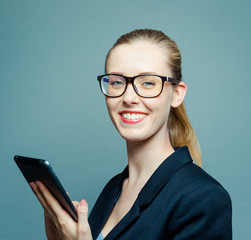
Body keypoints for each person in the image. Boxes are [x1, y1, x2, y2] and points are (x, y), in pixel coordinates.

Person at [30, 29, 232, 240]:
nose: (128, 98)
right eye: (117, 82)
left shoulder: (203, 198)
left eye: (147, 83)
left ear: (177, 94)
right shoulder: (113, 188)